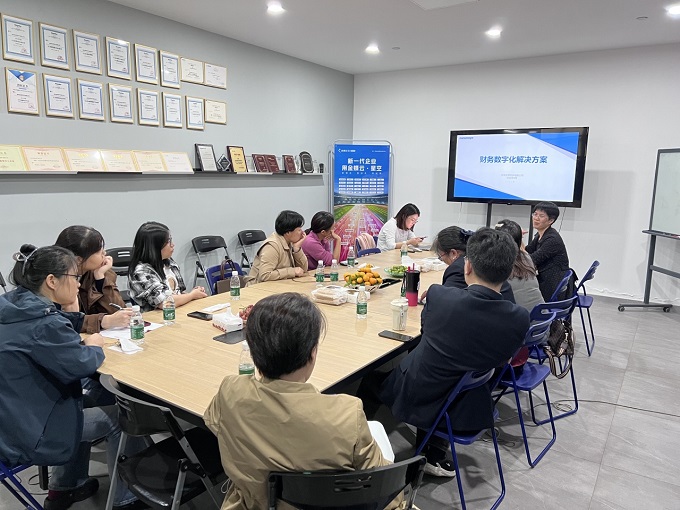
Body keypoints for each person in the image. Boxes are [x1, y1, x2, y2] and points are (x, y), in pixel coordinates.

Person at [204, 292, 398, 509]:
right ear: (312, 353)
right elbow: (384, 486)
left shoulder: (230, 392)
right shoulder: (346, 415)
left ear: (253, 351)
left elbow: (215, 424)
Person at [0, 245, 142, 510]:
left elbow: (59, 320)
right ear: (51, 281)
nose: (78, 284)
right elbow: (81, 365)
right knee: (123, 417)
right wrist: (95, 346)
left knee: (94, 396)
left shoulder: (15, 304)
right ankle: (128, 499)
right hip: (28, 432)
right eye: (75, 277)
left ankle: (65, 487)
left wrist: (93, 321)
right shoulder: (43, 325)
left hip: (12, 415)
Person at [379, 228, 529, 476]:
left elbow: (426, 332)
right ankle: (431, 452)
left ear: (467, 266)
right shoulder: (519, 318)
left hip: (423, 396)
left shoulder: (439, 297)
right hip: (471, 401)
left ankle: (371, 458)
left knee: (367, 384)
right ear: (510, 270)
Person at [55, 225, 133, 333]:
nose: (104, 253)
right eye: (98, 251)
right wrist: (103, 321)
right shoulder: (57, 280)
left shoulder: (97, 271)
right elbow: (62, 322)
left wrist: (100, 278)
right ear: (79, 260)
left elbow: (119, 312)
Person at [422, 225, 515, 303]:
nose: (442, 260)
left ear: (453, 253)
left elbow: (446, 303)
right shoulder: (481, 258)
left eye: (441, 257)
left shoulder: (458, 268)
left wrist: (435, 294)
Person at [128, 221, 207, 312]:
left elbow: (178, 292)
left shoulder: (169, 262)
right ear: (155, 247)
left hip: (177, 312)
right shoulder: (141, 272)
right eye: (168, 242)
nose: (172, 245)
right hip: (156, 318)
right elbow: (164, 302)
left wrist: (195, 293)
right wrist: (192, 295)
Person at [494, 219, 544, 311]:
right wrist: (517, 235)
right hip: (542, 316)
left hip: (522, 318)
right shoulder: (526, 257)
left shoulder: (499, 265)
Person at [526, 201, 570, 301]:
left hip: (552, 285)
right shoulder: (540, 234)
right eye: (535, 214)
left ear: (551, 220)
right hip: (545, 278)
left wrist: (517, 238)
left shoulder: (552, 239)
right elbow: (528, 251)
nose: (536, 218)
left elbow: (531, 260)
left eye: (541, 216)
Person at [248, 210, 309, 283]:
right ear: (288, 232)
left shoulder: (289, 242)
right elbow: (265, 275)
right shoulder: (271, 246)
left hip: (278, 284)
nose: (302, 233)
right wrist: (291, 271)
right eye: (299, 230)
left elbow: (303, 270)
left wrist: (297, 249)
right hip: (257, 287)